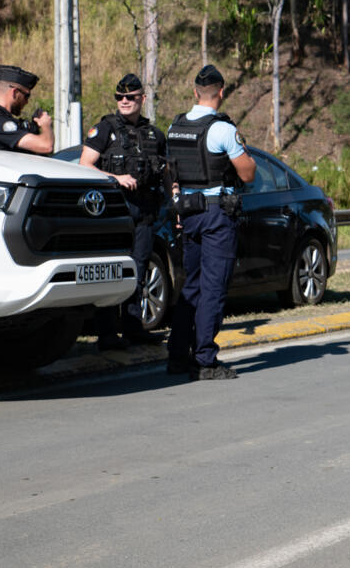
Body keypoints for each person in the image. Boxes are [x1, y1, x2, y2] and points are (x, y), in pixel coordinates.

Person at [165, 64, 256, 381]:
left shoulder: (174, 128)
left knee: (191, 287)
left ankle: (178, 356)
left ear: (194, 92)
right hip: (217, 215)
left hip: (189, 213)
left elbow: (171, 175)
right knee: (213, 289)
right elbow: (247, 173)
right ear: (221, 92)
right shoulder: (222, 130)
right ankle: (205, 360)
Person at [79, 73, 168, 350]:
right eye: (120, 97)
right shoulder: (105, 128)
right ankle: (107, 334)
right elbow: (84, 165)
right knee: (113, 270)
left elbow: (166, 172)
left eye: (130, 97)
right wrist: (116, 179)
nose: (125, 101)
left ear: (142, 98)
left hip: (145, 211)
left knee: (138, 270)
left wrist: (173, 198)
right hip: (115, 211)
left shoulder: (154, 134)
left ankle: (133, 328)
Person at [0, 64, 53, 154]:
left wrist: (34, 126)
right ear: (15, 92)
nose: (27, 102)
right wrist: (46, 125)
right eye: (26, 96)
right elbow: (46, 146)